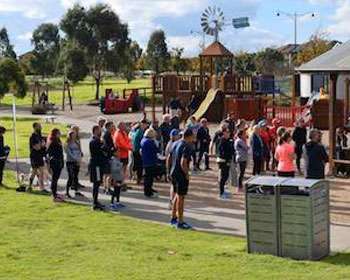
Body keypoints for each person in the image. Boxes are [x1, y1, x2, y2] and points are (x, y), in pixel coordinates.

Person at [169, 128, 194, 229]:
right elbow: (183, 162)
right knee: (181, 197)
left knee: (176, 195)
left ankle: (173, 217)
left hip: (173, 172)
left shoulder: (175, 143)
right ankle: (180, 221)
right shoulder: (187, 146)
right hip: (180, 174)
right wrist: (187, 173)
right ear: (190, 136)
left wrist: (168, 171)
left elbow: (169, 158)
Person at [89, 125, 105, 210]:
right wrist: (102, 144)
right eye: (99, 130)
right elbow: (100, 152)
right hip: (96, 166)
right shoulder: (94, 141)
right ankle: (95, 203)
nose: (100, 131)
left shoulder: (97, 140)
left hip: (98, 165)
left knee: (97, 183)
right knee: (96, 183)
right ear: (95, 131)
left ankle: (96, 201)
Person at [47, 128, 64, 202]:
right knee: (54, 178)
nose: (60, 134)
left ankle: (55, 193)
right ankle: (54, 195)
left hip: (59, 161)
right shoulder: (52, 142)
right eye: (58, 133)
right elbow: (49, 152)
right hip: (55, 161)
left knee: (56, 178)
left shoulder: (58, 140)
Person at [141, 128, 159, 197]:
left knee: (147, 177)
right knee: (149, 178)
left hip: (146, 160)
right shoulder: (150, 141)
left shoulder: (143, 140)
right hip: (151, 161)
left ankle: (148, 189)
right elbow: (156, 149)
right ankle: (148, 192)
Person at [28, 122, 46, 191]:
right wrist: (41, 144)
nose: (41, 127)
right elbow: (37, 147)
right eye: (39, 126)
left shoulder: (39, 136)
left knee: (41, 172)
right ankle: (30, 186)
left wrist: (42, 144)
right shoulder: (33, 136)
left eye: (40, 126)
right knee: (34, 171)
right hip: (34, 156)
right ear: (35, 127)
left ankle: (42, 188)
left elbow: (43, 145)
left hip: (40, 156)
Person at [65, 130, 83, 198]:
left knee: (75, 176)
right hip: (70, 162)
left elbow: (79, 151)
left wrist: (79, 159)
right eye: (73, 134)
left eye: (75, 134)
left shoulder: (77, 142)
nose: (74, 135)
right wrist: (76, 159)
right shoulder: (67, 143)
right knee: (70, 176)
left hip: (76, 161)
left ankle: (76, 190)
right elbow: (69, 153)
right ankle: (67, 192)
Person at [217, 128, 234, 199]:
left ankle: (223, 190)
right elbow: (222, 151)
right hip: (223, 161)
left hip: (228, 160)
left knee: (226, 176)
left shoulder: (229, 140)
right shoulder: (222, 140)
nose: (228, 133)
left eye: (229, 132)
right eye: (227, 132)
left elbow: (231, 149)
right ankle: (221, 193)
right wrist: (227, 160)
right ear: (224, 133)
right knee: (223, 176)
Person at [131, 120, 148, 184]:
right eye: (145, 124)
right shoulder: (140, 132)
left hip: (136, 150)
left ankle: (138, 178)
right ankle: (138, 179)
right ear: (142, 124)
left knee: (137, 165)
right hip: (138, 151)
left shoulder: (139, 131)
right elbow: (141, 142)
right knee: (139, 166)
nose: (146, 125)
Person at [102, 121, 116, 194]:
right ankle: (108, 188)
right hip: (108, 156)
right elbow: (107, 146)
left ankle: (105, 187)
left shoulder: (106, 134)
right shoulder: (107, 135)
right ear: (108, 127)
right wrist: (113, 149)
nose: (113, 127)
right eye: (112, 126)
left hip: (106, 156)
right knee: (109, 174)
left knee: (106, 174)